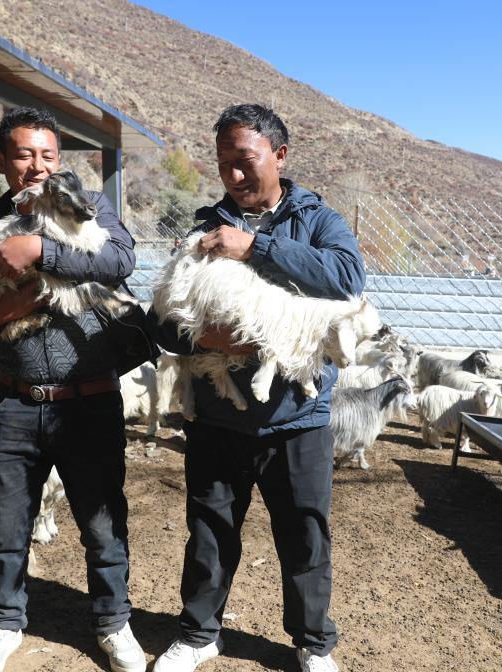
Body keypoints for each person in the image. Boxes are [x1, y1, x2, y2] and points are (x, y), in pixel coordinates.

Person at [150, 104, 365, 672]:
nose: (234, 174)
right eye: (224, 163)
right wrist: (204, 338)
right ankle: (199, 634)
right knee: (210, 530)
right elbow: (163, 319)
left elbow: (347, 280)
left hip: (297, 418)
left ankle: (313, 643)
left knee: (304, 534)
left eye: (245, 160)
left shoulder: (318, 221)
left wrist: (254, 247)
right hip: (218, 416)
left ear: (279, 155)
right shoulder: (205, 226)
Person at [0, 107, 148, 672]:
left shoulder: (90, 207)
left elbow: (120, 258)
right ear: (1, 161)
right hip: (13, 401)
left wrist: (39, 252)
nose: (38, 166)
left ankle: (114, 623)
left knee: (103, 523)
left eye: (48, 154)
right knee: (5, 525)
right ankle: (2, 624)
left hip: (89, 398)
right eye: (25, 154)